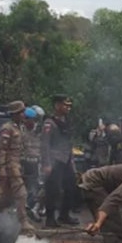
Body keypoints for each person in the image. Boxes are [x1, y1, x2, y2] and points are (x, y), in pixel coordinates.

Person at [0, 100, 34, 231]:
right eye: (21, 112)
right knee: (21, 193)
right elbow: (1, 150)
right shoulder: (7, 128)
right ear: (15, 114)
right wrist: (2, 168)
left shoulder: (19, 127)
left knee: (6, 196)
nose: (24, 114)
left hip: (18, 164)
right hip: (10, 165)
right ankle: (23, 222)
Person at [41, 94, 79, 227]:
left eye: (69, 105)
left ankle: (64, 215)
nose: (68, 107)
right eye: (65, 105)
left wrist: (72, 162)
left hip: (66, 159)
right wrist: (46, 164)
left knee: (71, 187)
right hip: (55, 160)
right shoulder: (49, 123)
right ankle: (50, 218)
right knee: (53, 189)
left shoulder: (67, 122)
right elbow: (45, 144)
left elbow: (69, 143)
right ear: (57, 106)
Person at [21, 107, 43, 218]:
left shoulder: (41, 131)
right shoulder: (20, 129)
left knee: (37, 186)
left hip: (36, 163)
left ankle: (34, 208)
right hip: (23, 162)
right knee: (22, 186)